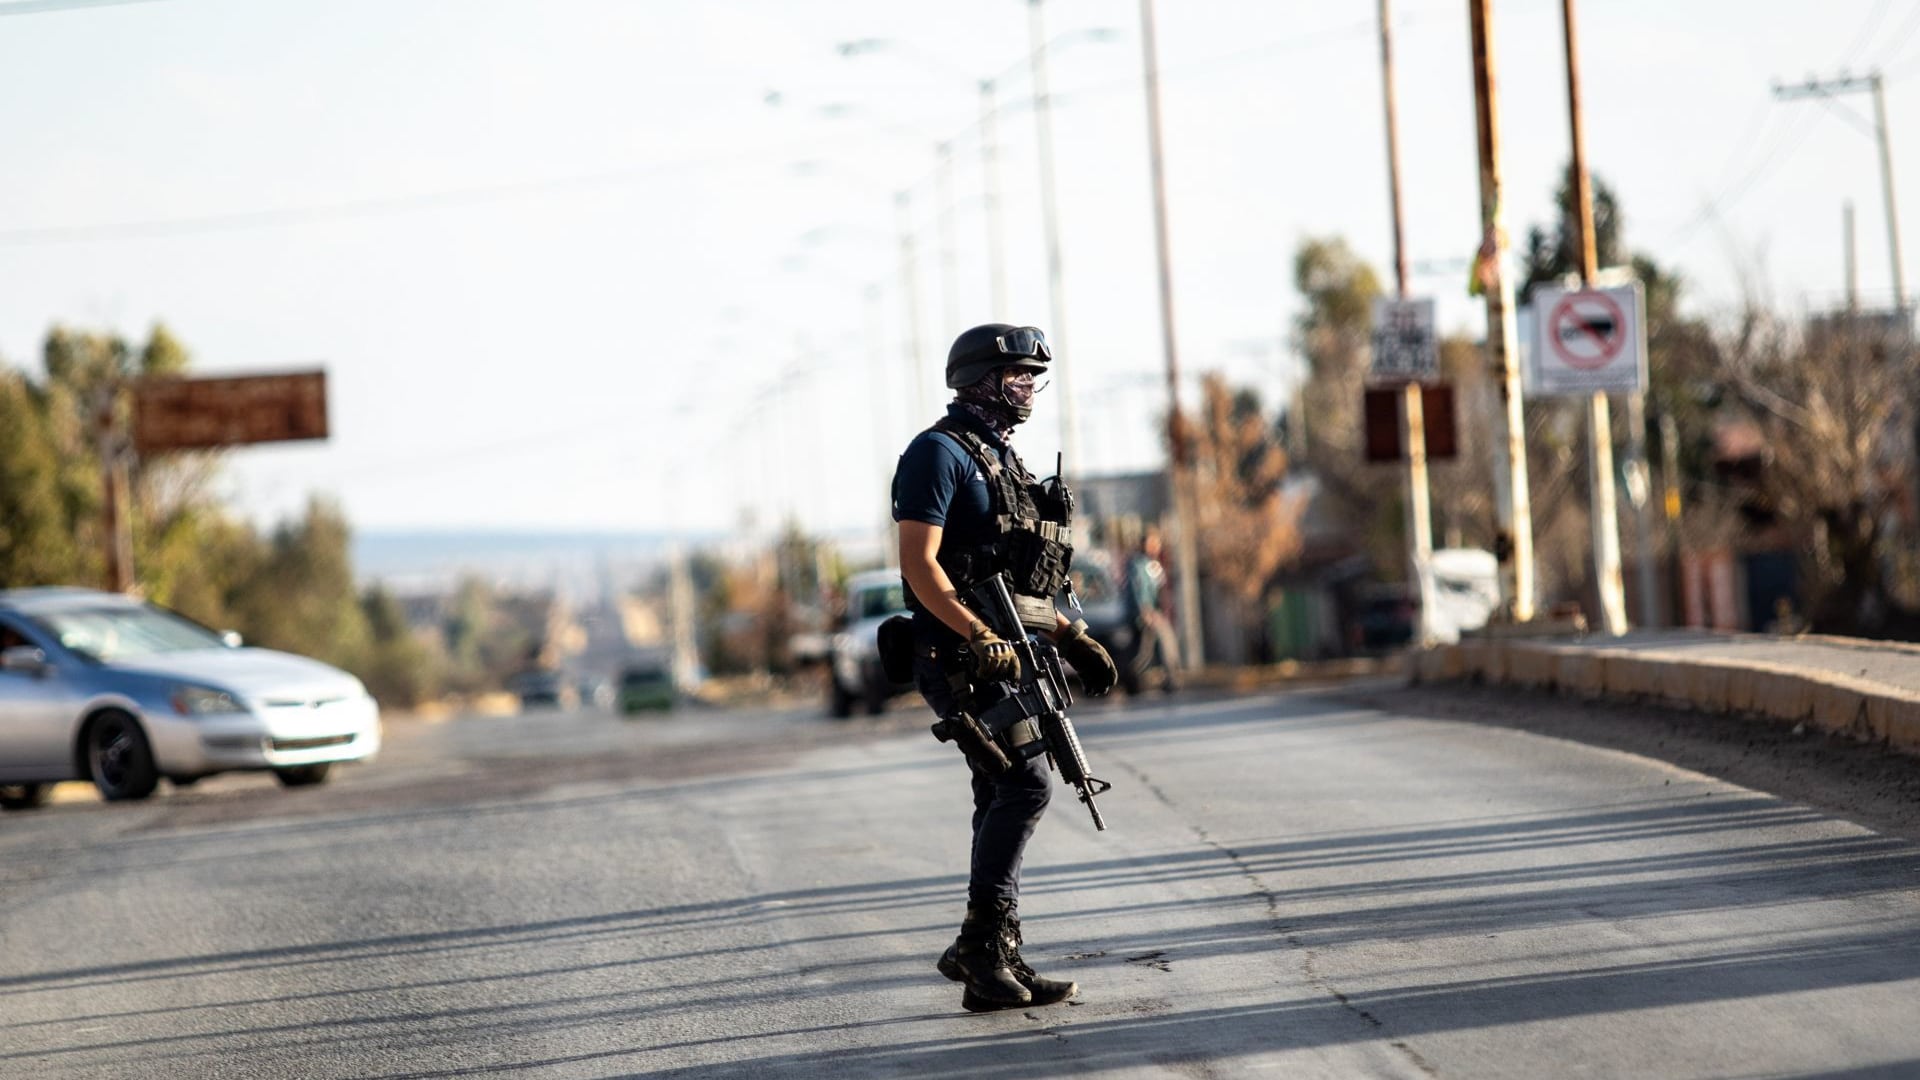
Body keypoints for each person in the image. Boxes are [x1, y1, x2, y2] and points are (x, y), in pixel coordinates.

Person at [890, 323, 1119, 1013]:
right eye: (1016, 378)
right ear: (979, 381)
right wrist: (979, 633)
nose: (1027, 391)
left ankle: (991, 956)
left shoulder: (1004, 460)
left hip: (1015, 648)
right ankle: (983, 946)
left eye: (1032, 379)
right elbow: (919, 565)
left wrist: (1075, 637)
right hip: (959, 655)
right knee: (1026, 787)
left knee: (1000, 794)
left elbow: (1027, 577)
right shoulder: (937, 454)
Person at [1122, 526, 1181, 694]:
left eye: (1157, 543)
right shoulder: (1137, 564)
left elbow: (1160, 588)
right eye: (1151, 543)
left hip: (1155, 612)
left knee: (1143, 652)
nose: (1155, 547)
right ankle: (1170, 680)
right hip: (1145, 613)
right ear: (1143, 544)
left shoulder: (1153, 564)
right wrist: (1145, 610)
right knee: (1165, 642)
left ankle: (1129, 680)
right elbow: (1138, 588)